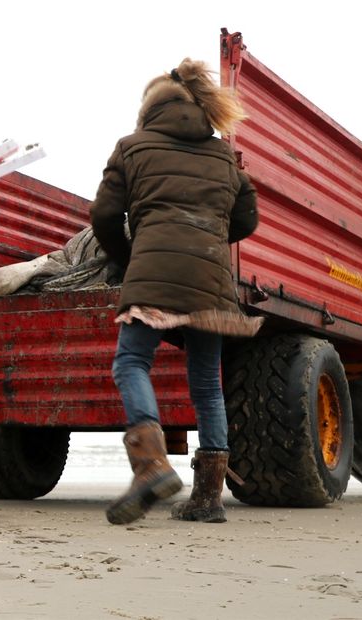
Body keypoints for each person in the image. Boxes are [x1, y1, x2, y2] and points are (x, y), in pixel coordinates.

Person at [90, 58, 260, 525]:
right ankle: (208, 498)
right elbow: (247, 220)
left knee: (131, 362)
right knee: (207, 385)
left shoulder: (131, 147)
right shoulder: (223, 155)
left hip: (153, 270)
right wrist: (205, 239)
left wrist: (131, 259)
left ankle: (151, 465)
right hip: (211, 281)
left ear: (149, 110)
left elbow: (103, 216)